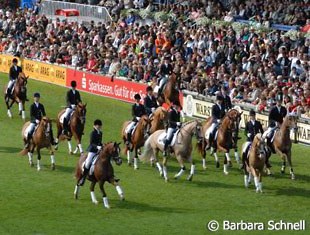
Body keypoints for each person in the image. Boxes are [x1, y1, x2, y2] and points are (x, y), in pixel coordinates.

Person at [79, 119, 103, 186]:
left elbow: (100, 142)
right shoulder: (93, 133)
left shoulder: (100, 133)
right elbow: (91, 143)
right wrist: (97, 147)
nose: (99, 127)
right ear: (95, 126)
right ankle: (83, 178)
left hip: (98, 151)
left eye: (100, 126)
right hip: (92, 150)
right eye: (98, 125)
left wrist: (102, 145)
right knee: (88, 163)